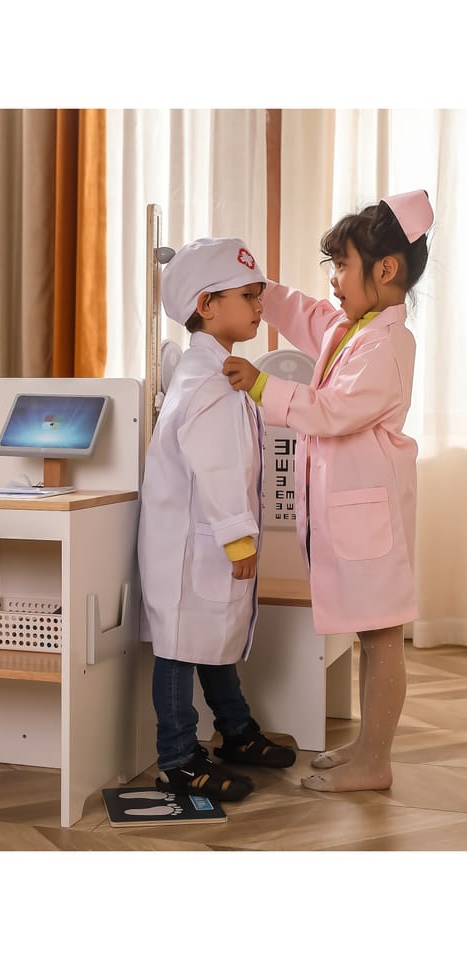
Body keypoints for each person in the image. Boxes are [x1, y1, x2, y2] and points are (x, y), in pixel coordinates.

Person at [222, 189, 433, 793]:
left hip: (371, 519)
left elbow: (332, 411)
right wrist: (259, 289)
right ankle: (367, 747)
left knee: (382, 634)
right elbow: (307, 314)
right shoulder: (352, 328)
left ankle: (376, 761)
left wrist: (262, 386)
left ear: (385, 270)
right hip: (353, 517)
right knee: (370, 632)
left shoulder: (387, 345)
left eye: (342, 266)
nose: (333, 280)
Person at [138, 236, 296, 804]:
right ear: (206, 305)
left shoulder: (218, 372)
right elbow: (218, 465)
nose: (259, 306)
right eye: (248, 296)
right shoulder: (206, 381)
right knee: (181, 647)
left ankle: (235, 730)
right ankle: (178, 760)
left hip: (200, 541)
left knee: (211, 636)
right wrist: (236, 539)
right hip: (193, 544)